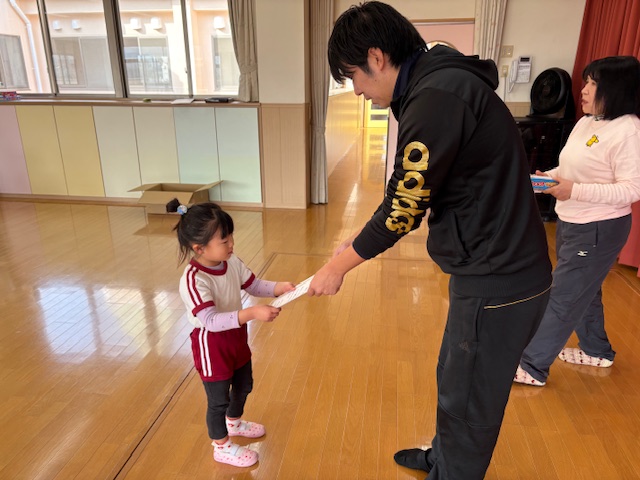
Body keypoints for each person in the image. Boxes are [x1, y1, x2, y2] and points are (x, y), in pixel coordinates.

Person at [308, 2, 552, 478]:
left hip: (499, 277)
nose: (356, 90)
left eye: (353, 76)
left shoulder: (436, 97)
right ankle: (442, 457)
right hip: (489, 265)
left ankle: (453, 469)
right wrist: (354, 240)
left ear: (376, 57)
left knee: (470, 401)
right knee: (455, 378)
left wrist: (337, 267)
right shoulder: (439, 80)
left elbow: (403, 208)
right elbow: (411, 191)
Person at [514, 56, 640, 387]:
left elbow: (632, 189)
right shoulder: (587, 122)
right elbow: (570, 168)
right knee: (585, 289)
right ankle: (597, 350)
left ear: (615, 89)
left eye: (592, 83)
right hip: (572, 219)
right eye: (586, 82)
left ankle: (532, 365)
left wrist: (575, 190)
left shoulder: (628, 130)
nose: (583, 90)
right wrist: (546, 179)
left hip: (599, 227)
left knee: (564, 295)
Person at [167, 198, 295, 467]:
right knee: (218, 400)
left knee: (244, 384)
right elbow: (211, 321)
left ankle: (234, 423)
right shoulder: (194, 279)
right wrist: (252, 313)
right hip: (212, 345)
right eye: (224, 240)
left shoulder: (231, 261)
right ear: (199, 248)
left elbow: (254, 285)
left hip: (236, 337)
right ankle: (221, 446)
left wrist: (278, 288)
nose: (231, 244)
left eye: (231, 237)